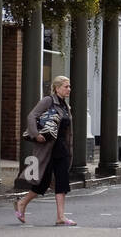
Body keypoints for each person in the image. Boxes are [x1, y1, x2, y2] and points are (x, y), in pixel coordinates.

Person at [14, 76, 76, 225]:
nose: (69, 89)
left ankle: (60, 217)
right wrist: (36, 135)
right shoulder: (48, 101)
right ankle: (22, 203)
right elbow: (31, 116)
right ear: (57, 88)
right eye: (66, 86)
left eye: (69, 86)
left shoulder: (65, 106)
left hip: (61, 149)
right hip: (48, 148)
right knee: (43, 181)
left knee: (62, 181)